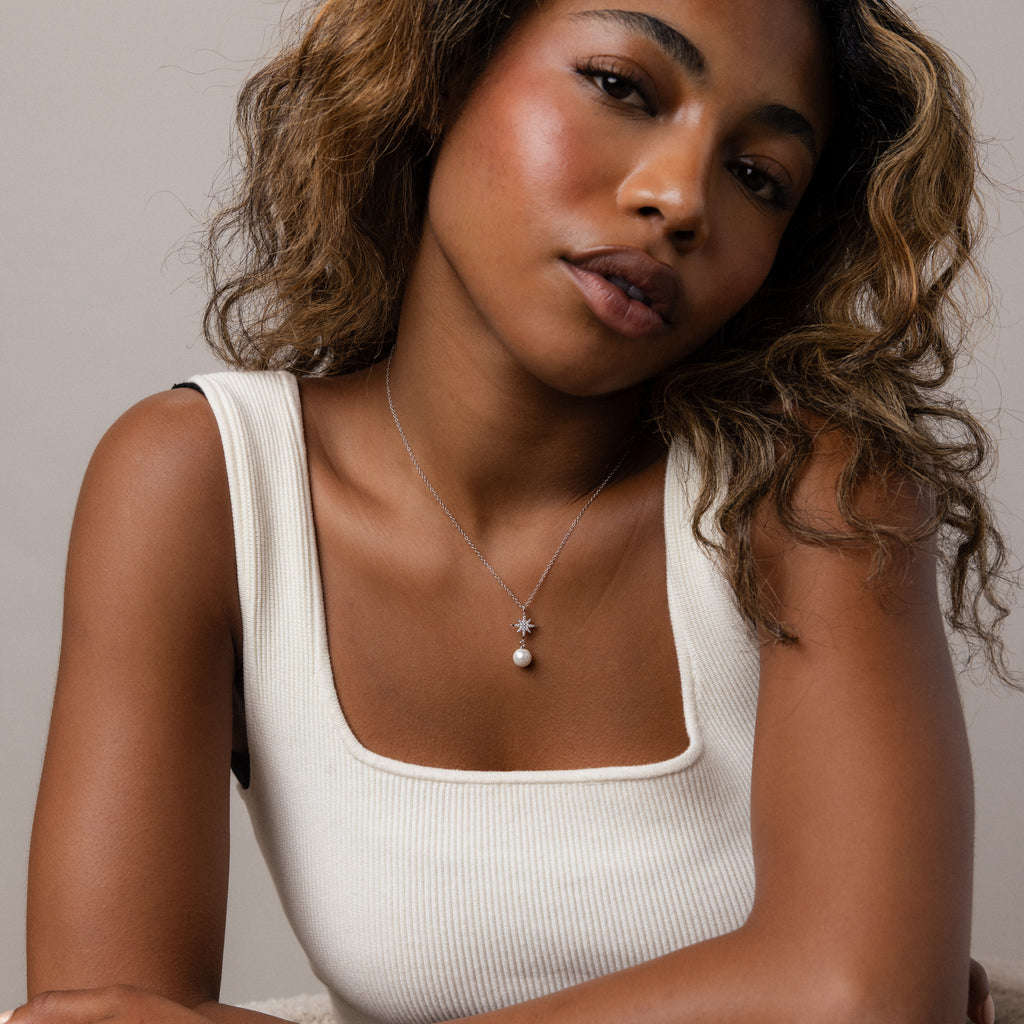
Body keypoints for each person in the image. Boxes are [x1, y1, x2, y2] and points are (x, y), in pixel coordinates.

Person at [10, 0, 1015, 1022]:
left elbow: (859, 1000)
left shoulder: (813, 491)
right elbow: (99, 1012)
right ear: (445, 72)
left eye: (756, 177)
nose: (678, 200)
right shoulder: (202, 488)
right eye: (622, 88)